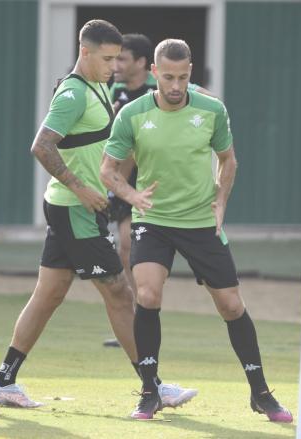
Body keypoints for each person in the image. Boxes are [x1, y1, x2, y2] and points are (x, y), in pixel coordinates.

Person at [0, 19, 196, 411]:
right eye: (107, 58)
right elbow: (41, 145)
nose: (114, 65)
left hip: (72, 208)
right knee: (119, 292)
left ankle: (3, 381)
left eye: (117, 58)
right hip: (75, 209)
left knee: (48, 295)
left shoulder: (99, 84)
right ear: (84, 52)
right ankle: (153, 385)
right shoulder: (72, 94)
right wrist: (81, 187)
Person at [100, 38, 294, 422]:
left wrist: (221, 200)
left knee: (232, 305)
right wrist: (131, 195)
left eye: (183, 78)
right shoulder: (132, 114)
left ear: (191, 74)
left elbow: (228, 160)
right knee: (148, 294)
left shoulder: (212, 110)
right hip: (153, 221)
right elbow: (108, 168)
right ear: (154, 73)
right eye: (168, 77)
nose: (175, 86)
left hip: (201, 222)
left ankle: (261, 393)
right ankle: (149, 392)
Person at [102, 34, 213, 348]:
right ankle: (138, 316)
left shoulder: (164, 90)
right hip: (125, 185)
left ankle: (142, 316)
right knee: (125, 250)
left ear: (142, 64)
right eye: (114, 59)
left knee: (128, 242)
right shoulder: (116, 93)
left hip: (156, 186)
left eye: (122, 59)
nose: (116, 65)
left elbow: (205, 97)